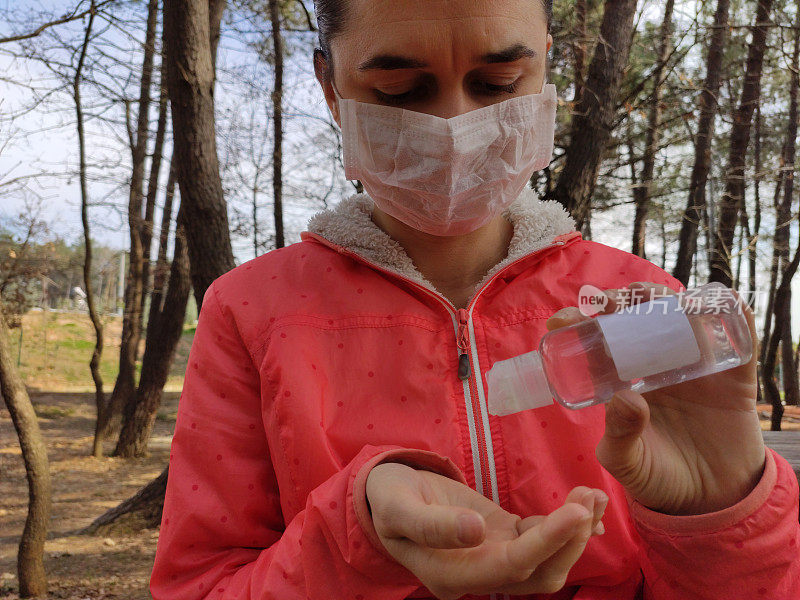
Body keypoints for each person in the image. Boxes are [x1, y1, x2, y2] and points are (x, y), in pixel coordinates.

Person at [149, 0, 800, 598]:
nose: (455, 127)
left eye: (497, 84)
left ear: (546, 64)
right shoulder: (251, 312)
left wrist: (718, 518)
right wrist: (355, 534)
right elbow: (199, 585)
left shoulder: (641, 313)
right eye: (400, 91)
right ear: (329, 85)